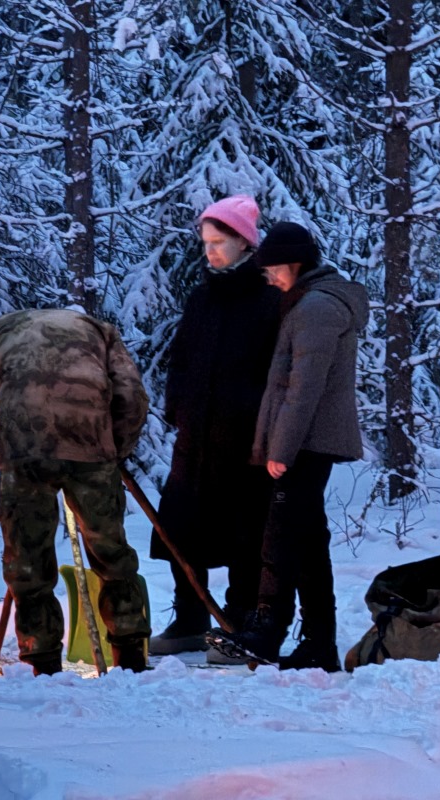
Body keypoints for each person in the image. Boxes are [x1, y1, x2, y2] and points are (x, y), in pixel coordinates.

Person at [0, 308, 151, 674]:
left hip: (25, 455)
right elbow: (132, 398)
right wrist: (112, 450)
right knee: (112, 556)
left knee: (28, 564)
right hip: (91, 451)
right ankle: (130, 659)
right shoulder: (99, 330)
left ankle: (43, 664)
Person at [207, 221, 368, 671]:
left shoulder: (316, 308)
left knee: (279, 539)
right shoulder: (308, 303)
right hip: (307, 442)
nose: (268, 276)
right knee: (308, 541)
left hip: (306, 444)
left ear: (294, 264)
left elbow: (303, 388)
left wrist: (282, 449)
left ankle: (268, 631)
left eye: (272, 268)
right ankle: (319, 644)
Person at [149, 194, 282, 661]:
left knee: (245, 534)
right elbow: (181, 359)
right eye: (205, 242)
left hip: (244, 442)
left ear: (245, 244)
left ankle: (238, 620)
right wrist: (178, 407)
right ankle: (190, 617)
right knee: (182, 528)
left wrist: (258, 420)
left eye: (219, 242)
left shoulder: (268, 300)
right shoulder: (202, 296)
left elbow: (276, 370)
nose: (209, 252)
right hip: (196, 438)